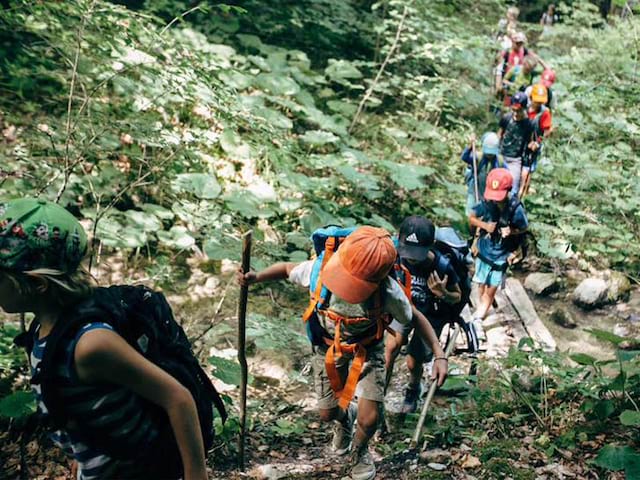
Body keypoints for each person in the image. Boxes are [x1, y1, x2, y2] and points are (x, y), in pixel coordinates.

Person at [0, 198, 211, 480]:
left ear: (37, 284)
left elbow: (178, 398)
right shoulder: (46, 328)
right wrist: (82, 448)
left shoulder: (91, 344)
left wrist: (196, 475)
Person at [237, 226, 448, 480]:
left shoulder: (388, 292)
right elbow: (285, 269)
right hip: (327, 348)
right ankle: (346, 416)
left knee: (370, 419)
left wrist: (439, 355)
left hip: (368, 350)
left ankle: (358, 452)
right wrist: (256, 277)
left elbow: (415, 318)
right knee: (327, 413)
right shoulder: (319, 270)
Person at [384, 217, 468, 414]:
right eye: (407, 252)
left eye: (416, 254)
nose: (411, 258)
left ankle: (413, 388)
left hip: (431, 315)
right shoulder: (395, 256)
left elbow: (457, 296)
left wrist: (443, 293)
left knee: (414, 360)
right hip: (404, 310)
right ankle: (379, 394)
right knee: (390, 350)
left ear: (430, 247)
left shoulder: (442, 266)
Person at [468, 169, 529, 332]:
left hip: (501, 255)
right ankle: (482, 306)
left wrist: (512, 231)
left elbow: (523, 228)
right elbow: (472, 217)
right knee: (481, 283)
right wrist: (485, 226)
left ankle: (479, 316)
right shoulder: (487, 203)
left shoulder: (516, 209)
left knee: (491, 287)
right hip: (484, 250)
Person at [498, 92, 535, 194]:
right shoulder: (506, 118)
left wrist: (532, 146)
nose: (515, 113)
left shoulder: (528, 124)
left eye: (518, 111)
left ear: (524, 109)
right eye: (513, 110)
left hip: (515, 160)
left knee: (513, 188)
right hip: (501, 155)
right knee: (497, 183)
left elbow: (530, 141)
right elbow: (500, 135)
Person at [521, 83, 553, 198]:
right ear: (531, 98)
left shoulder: (544, 112)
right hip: (521, 141)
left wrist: (538, 142)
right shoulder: (524, 108)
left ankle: (524, 192)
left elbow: (547, 130)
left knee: (529, 168)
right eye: (536, 101)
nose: (538, 103)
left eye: (541, 101)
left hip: (534, 143)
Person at [461, 132, 502, 215]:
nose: (490, 155)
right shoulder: (478, 158)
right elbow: (464, 157)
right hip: (475, 189)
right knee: (471, 214)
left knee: (486, 216)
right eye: (488, 153)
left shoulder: (499, 161)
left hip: (490, 193)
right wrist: (470, 146)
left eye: (492, 153)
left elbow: (505, 175)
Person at [495, 31, 528, 99]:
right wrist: (498, 84)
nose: (519, 45)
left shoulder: (524, 51)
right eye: (517, 43)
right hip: (506, 79)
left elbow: (533, 59)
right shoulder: (506, 52)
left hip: (517, 80)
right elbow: (499, 68)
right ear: (513, 42)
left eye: (521, 43)